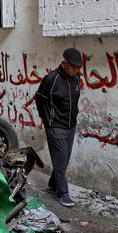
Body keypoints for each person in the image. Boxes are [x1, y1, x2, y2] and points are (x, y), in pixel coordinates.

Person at [35, 48, 82, 207]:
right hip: (55, 126)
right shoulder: (51, 79)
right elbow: (40, 99)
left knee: (65, 158)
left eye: (78, 68)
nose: (76, 70)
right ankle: (62, 193)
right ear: (64, 64)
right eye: (73, 67)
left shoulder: (76, 78)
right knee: (61, 160)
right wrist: (47, 119)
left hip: (71, 126)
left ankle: (53, 183)